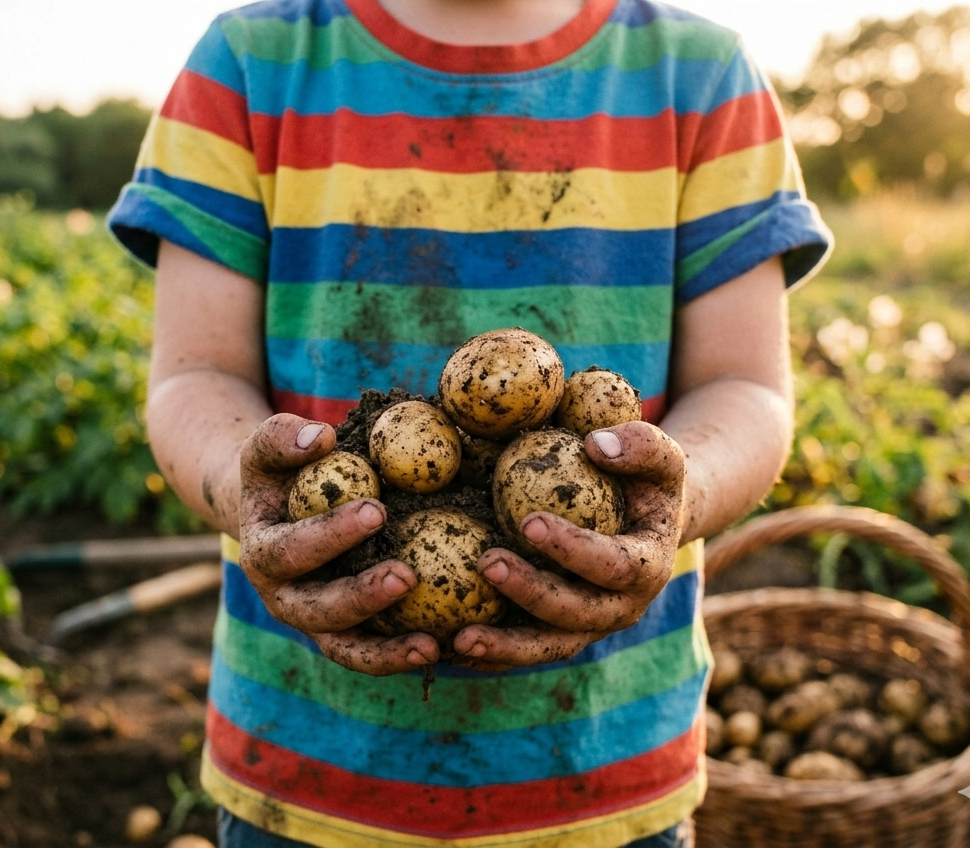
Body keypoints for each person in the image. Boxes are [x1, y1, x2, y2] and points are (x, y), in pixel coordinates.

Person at [107, 0, 832, 845]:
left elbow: (746, 387)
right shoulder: (247, 61)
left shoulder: (703, 77)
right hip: (305, 756)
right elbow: (195, 376)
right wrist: (247, 489)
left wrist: (682, 492)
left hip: (604, 759)